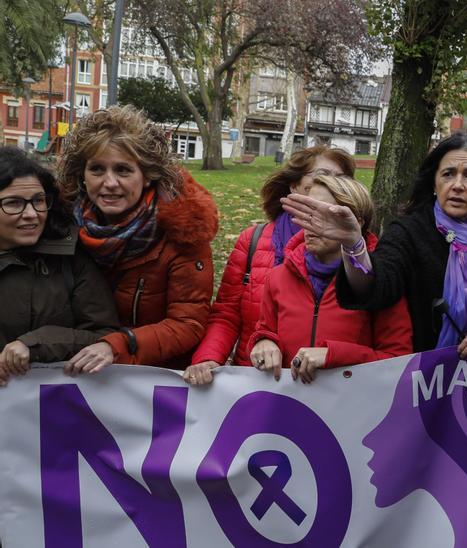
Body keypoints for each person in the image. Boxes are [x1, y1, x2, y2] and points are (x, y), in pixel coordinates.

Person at [284, 133, 467, 363]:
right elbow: (375, 286)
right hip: (419, 385)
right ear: (434, 182)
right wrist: (353, 244)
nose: (458, 185)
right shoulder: (408, 232)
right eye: (448, 174)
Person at [56, 105, 218, 372]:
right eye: (97, 169)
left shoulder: (182, 232)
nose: (109, 183)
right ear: (82, 175)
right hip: (75, 375)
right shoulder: (61, 226)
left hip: (153, 380)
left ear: (147, 176)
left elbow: (188, 324)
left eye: (123, 170)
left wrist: (117, 345)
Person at [191, 146, 355, 377]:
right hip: (255, 385)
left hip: (329, 392)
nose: (332, 184)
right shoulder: (253, 241)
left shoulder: (360, 250)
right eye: (322, 175)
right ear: (294, 185)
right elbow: (227, 314)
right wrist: (208, 360)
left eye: (341, 178)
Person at [237, 175, 413, 385]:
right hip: (290, 406)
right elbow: (265, 330)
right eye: (308, 212)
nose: (312, 224)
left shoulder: (381, 281)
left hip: (355, 410)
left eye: (324, 215)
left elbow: (398, 361)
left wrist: (333, 355)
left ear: (355, 223)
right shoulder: (279, 276)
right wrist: (263, 342)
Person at [0, 147, 119, 386]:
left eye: (38, 201)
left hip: (50, 412)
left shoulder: (70, 257)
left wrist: (36, 343)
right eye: (13, 203)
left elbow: (105, 337)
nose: (32, 214)